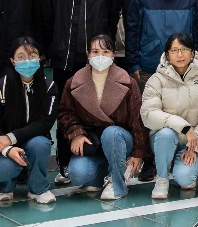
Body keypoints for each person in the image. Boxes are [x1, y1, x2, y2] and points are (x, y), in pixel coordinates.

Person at [57, 35, 147, 200]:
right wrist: (76, 133)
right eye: (95, 51)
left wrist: (138, 153)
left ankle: (117, 185)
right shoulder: (74, 82)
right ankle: (102, 175)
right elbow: (65, 112)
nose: (100, 56)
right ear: (87, 54)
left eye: (106, 52)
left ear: (113, 54)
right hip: (92, 142)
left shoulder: (128, 82)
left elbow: (137, 119)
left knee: (111, 133)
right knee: (77, 174)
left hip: (119, 139)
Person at [140, 33, 198, 199]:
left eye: (184, 49)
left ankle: (180, 167)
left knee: (185, 179)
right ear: (167, 54)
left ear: (193, 52)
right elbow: (148, 114)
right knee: (166, 134)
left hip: (194, 140)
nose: (180, 54)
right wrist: (184, 127)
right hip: (164, 140)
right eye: (174, 50)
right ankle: (162, 178)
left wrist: (195, 148)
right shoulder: (156, 79)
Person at [0, 36, 59, 204]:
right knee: (4, 168)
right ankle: (5, 187)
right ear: (13, 61)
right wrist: (7, 147)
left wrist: (12, 137)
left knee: (41, 144)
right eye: (21, 57)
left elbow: (45, 123)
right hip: (2, 143)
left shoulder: (49, 87)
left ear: (40, 59)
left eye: (32, 56)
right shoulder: (0, 87)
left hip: (29, 141)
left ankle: (38, 188)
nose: (27, 61)